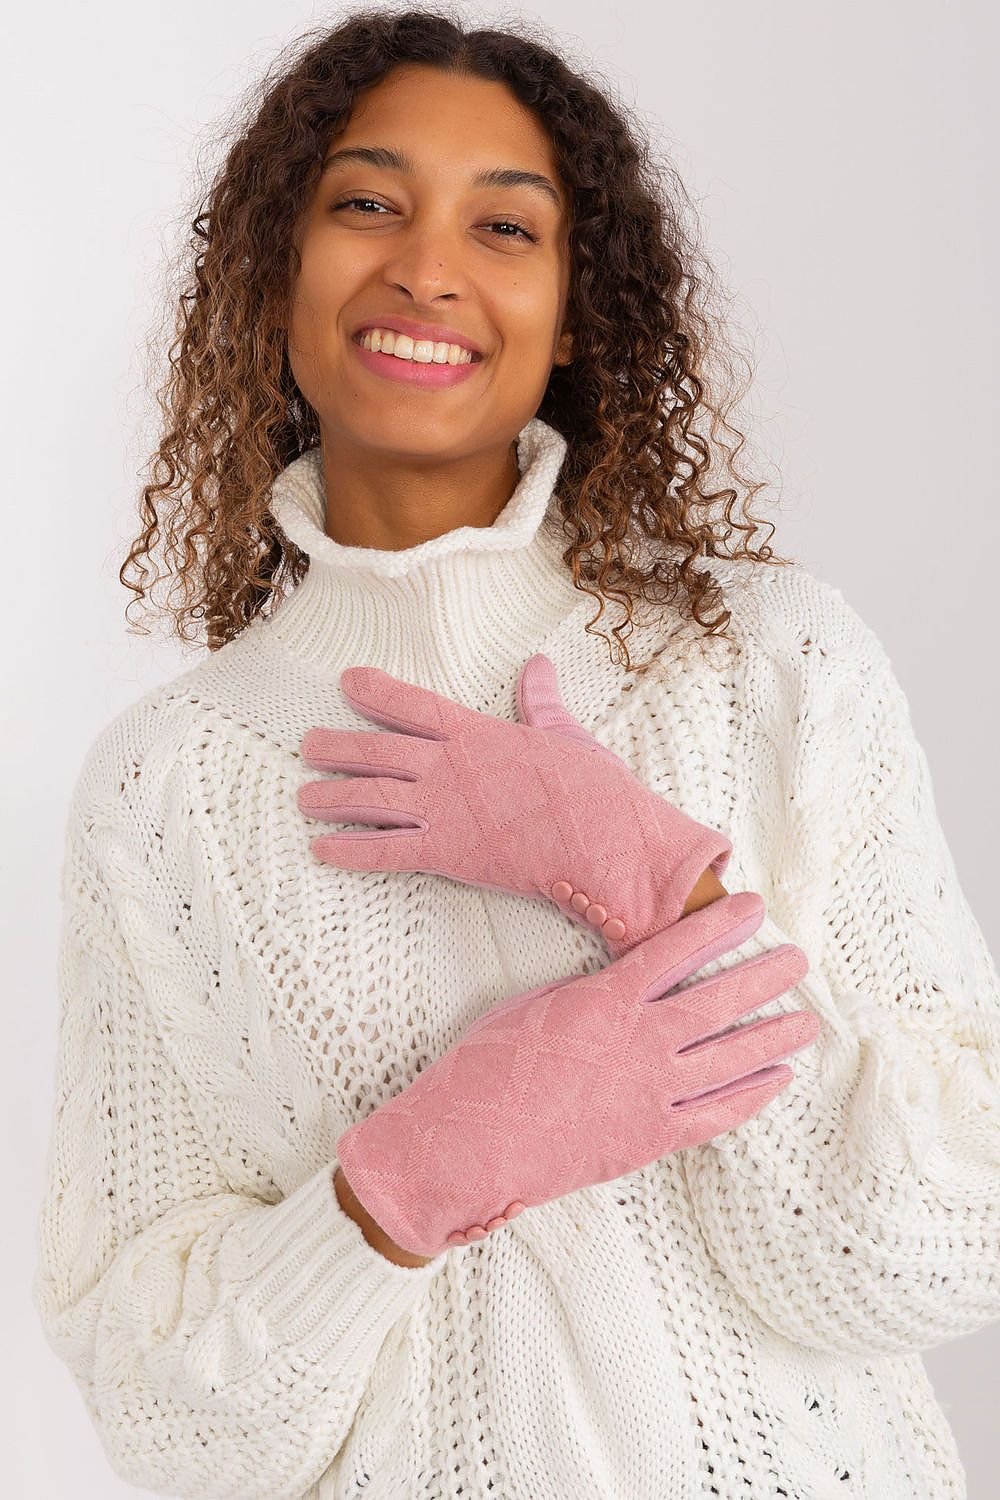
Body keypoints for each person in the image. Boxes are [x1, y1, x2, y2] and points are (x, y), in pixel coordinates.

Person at [32, 9, 999, 1499]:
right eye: (365, 204)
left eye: (506, 225)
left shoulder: (767, 661)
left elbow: (945, 1249)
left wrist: (651, 880)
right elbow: (173, 1427)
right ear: (273, 269)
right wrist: (404, 1182)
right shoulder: (166, 790)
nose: (427, 265)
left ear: (572, 310)